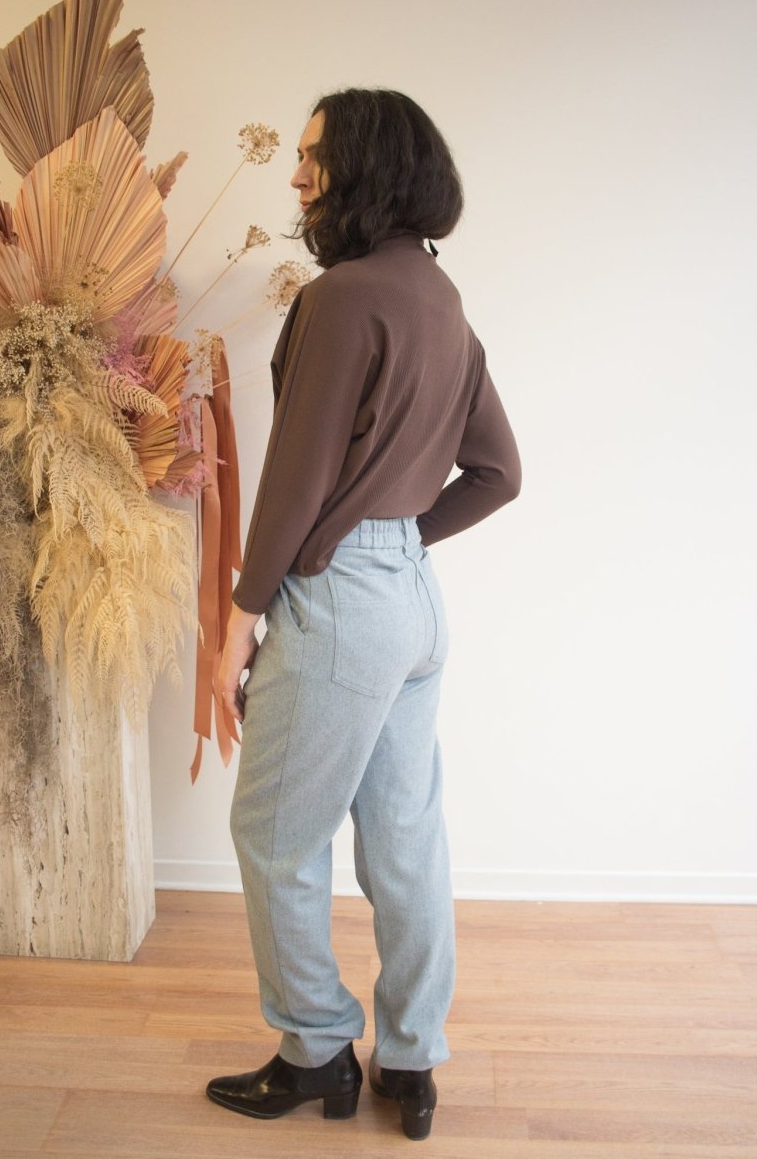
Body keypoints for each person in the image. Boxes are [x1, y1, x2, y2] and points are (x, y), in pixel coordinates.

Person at [209, 88, 521, 1141]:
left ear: (368, 166)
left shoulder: (341, 298)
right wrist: (395, 538)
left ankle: (314, 1055)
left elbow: (294, 484)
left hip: (341, 606)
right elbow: (499, 473)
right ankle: (410, 1061)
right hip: (412, 609)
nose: (297, 175)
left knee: (273, 836)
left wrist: (238, 623)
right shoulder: (440, 298)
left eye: (315, 156)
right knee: (403, 838)